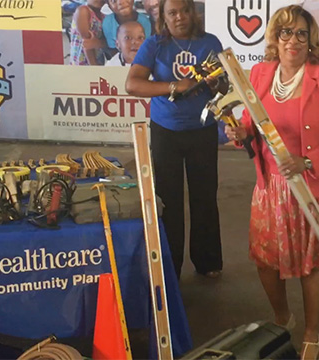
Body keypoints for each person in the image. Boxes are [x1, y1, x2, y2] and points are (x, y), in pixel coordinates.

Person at [224, 5, 319, 360]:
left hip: (314, 185)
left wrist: (307, 161)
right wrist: (239, 133)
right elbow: (253, 128)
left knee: (310, 263)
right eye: (285, 32)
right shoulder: (261, 73)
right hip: (270, 188)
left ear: (310, 39)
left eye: (301, 33)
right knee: (266, 261)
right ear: (275, 38)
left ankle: (312, 330)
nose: (293, 40)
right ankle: (282, 316)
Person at [125, 0, 224, 279]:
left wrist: (217, 83)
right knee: (168, 199)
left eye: (184, 10)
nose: (179, 17)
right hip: (166, 131)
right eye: (172, 12)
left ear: (193, 13)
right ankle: (170, 267)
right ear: (163, 17)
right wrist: (172, 86)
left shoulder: (211, 42)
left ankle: (208, 262)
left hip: (203, 129)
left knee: (205, 196)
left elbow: (225, 83)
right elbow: (132, 84)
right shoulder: (155, 45)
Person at [69, 0, 106, 65]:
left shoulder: (103, 17)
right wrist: (93, 66)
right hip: (82, 64)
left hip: (98, 61)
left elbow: (102, 43)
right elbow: (87, 44)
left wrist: (99, 43)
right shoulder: (83, 11)